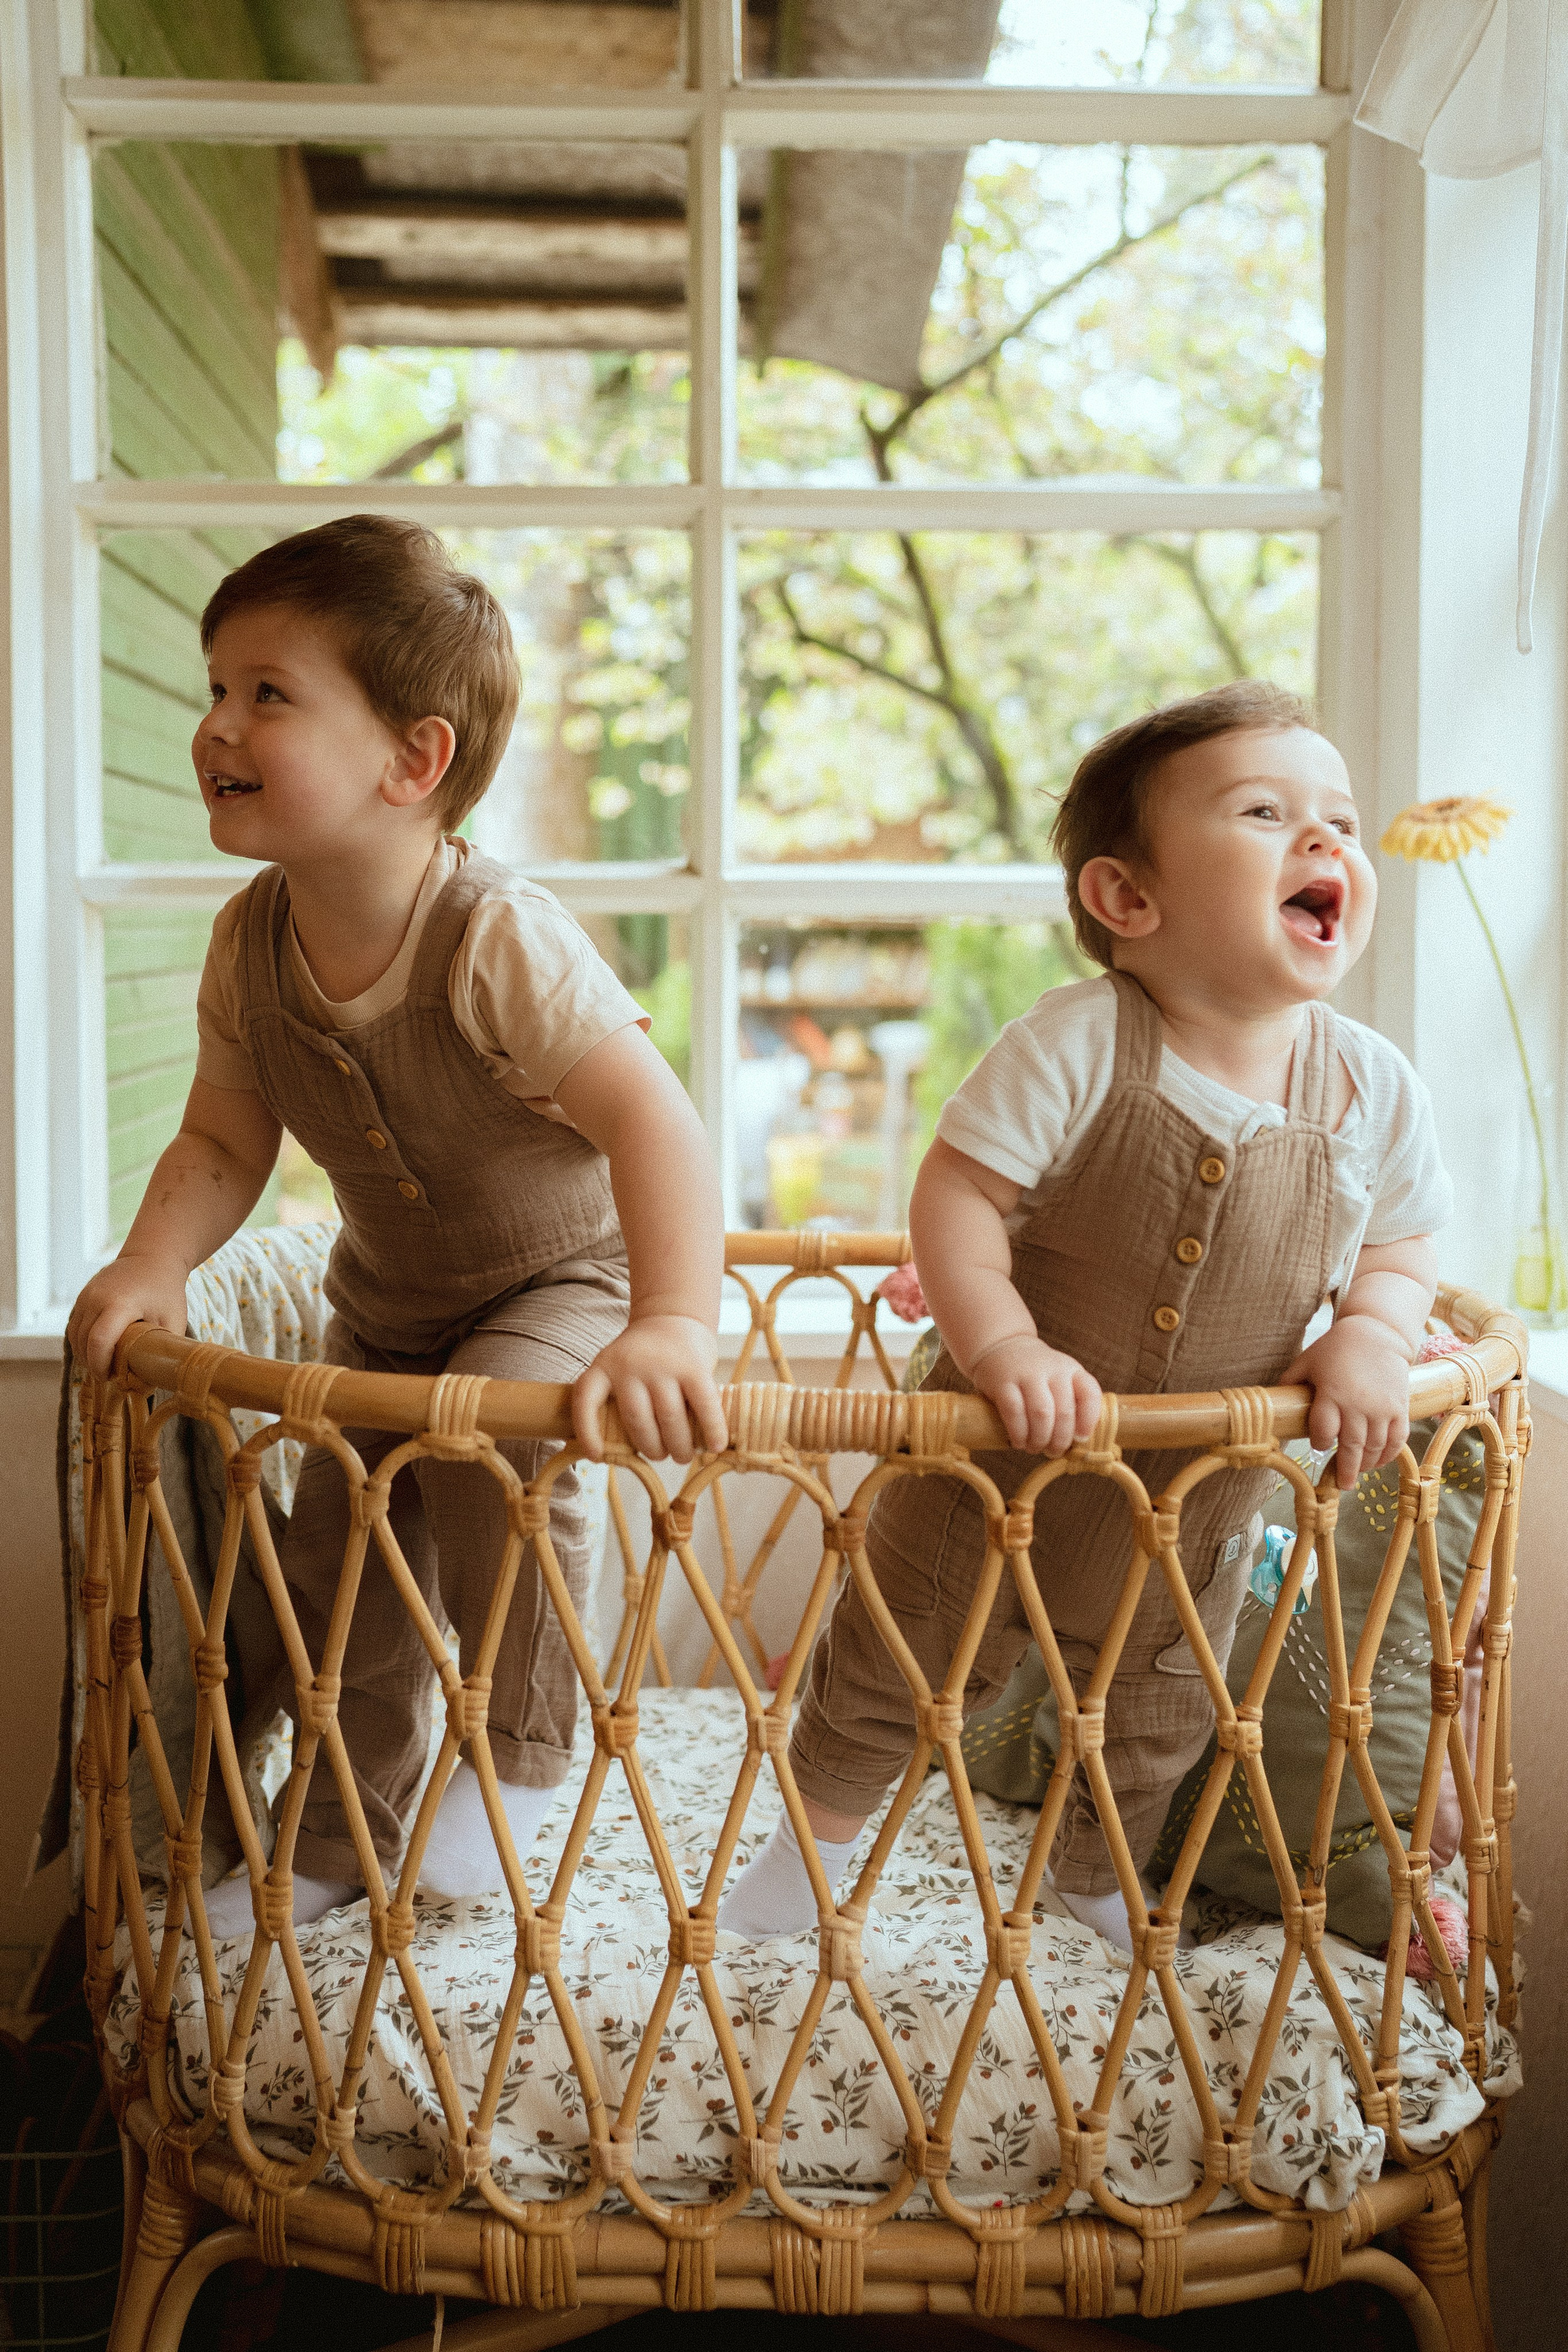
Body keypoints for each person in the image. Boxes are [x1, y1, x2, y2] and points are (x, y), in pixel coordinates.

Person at [69, 515, 728, 1934]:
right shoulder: (250, 941)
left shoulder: (496, 933)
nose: (215, 725)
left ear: (412, 761)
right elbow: (223, 1135)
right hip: (385, 1303)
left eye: (268, 693)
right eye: (215, 687)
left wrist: (673, 1321)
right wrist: (150, 1261)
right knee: (343, 1559)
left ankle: (520, 1773)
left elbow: (654, 1124)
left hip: (564, 1275)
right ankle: (327, 1840)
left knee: (496, 1432)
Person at [719, 680, 1452, 1953]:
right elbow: (955, 1196)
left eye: (1337, 818)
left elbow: (1397, 1242)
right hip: (987, 1456)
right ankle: (800, 1864)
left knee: (1162, 1706)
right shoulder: (1075, 1041)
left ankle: (1090, 1873)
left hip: (1195, 1497)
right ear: (1126, 900)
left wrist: (1370, 1332)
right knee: (886, 1666)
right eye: (1267, 812)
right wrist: (1001, 1342)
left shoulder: (1369, 1086)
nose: (1325, 841)